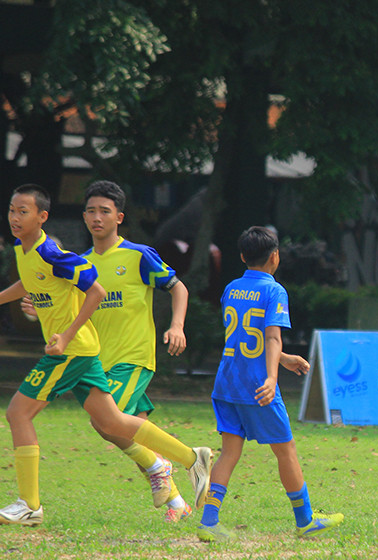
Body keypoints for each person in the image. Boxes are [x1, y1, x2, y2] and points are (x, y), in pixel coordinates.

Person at [0, 184, 211, 527]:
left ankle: (32, 503)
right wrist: (44, 308)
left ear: (119, 218)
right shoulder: (78, 260)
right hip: (98, 354)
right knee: (112, 424)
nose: (97, 218)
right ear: (83, 217)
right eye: (91, 211)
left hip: (129, 356)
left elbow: (176, 288)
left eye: (105, 211)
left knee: (38, 415)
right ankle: (183, 474)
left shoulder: (136, 255)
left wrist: (177, 325)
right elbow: (56, 293)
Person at [196, 226, 343, 541]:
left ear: (242, 256)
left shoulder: (231, 289)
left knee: (229, 452)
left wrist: (283, 358)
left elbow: (247, 339)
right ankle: (305, 520)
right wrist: (272, 376)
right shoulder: (274, 290)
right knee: (286, 449)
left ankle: (209, 522)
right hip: (257, 385)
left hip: (227, 383)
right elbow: (271, 335)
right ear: (275, 257)